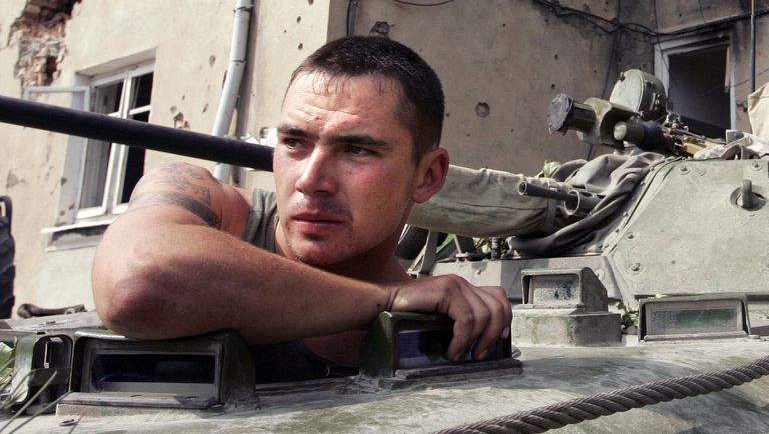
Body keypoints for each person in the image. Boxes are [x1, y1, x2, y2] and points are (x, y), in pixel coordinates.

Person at [92, 36, 511, 380]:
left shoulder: (449, 328)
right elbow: (137, 281)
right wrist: (383, 299)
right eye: (294, 142)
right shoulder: (215, 210)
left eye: (356, 149)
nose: (311, 179)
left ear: (427, 177)